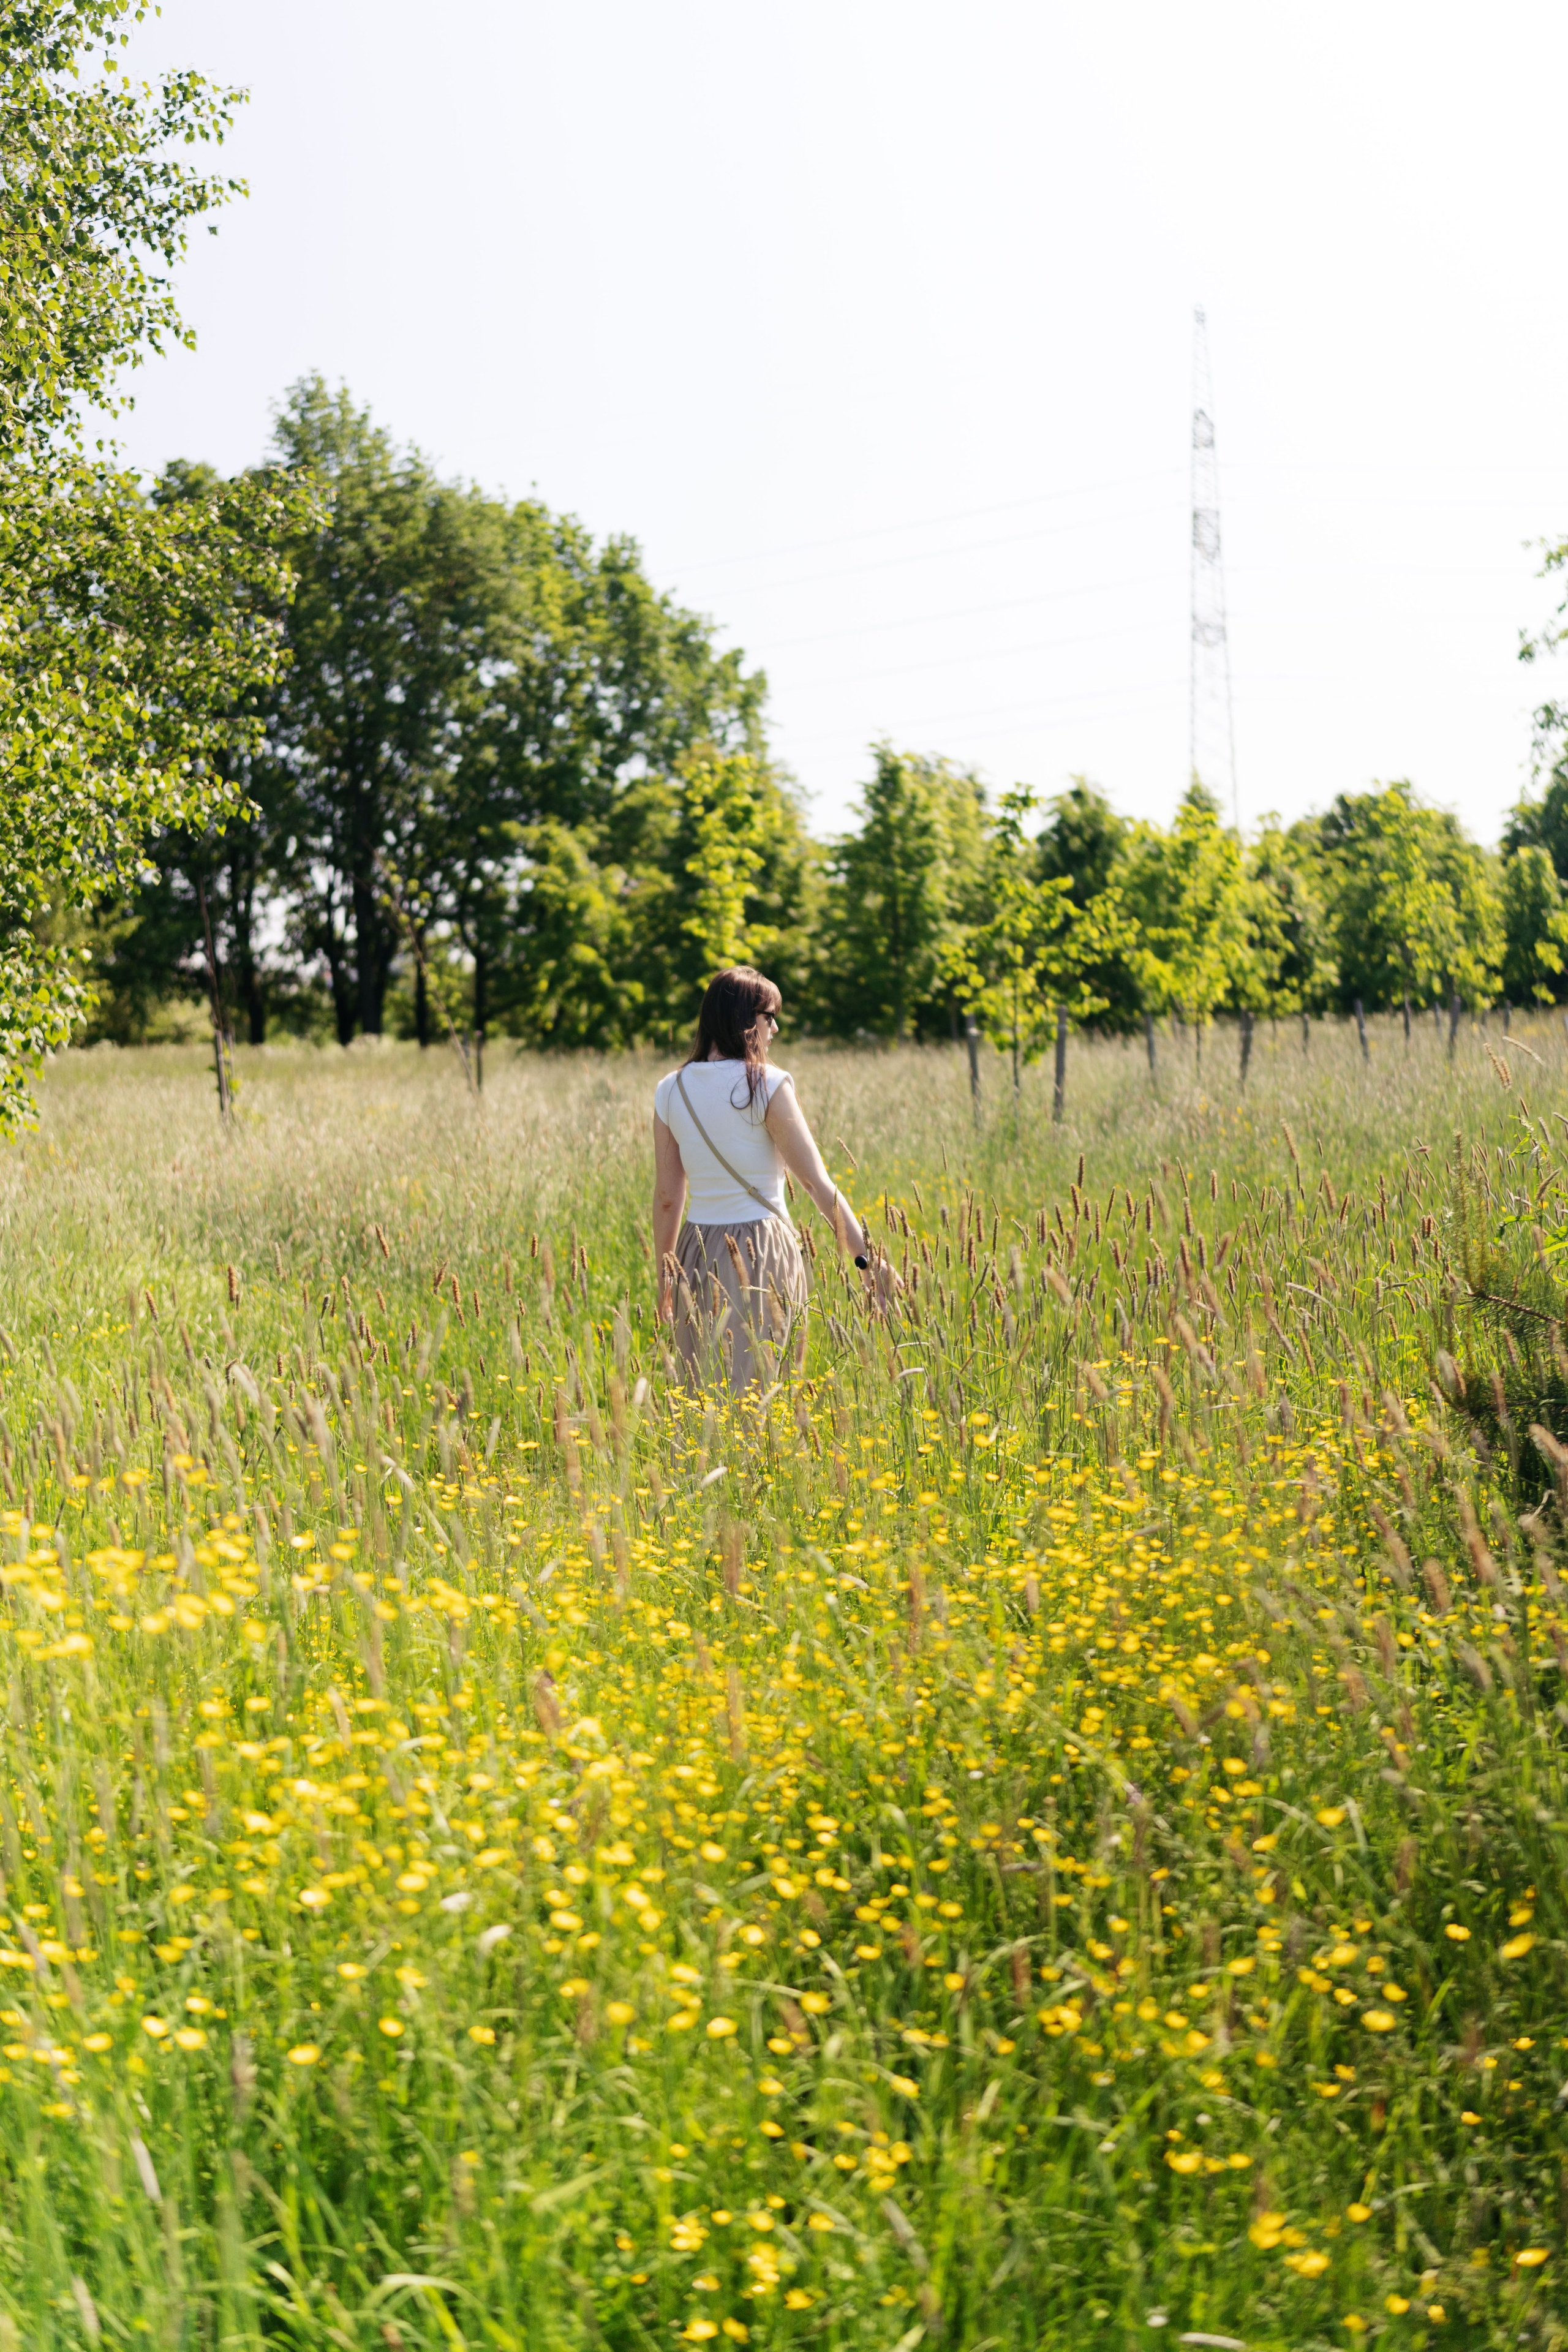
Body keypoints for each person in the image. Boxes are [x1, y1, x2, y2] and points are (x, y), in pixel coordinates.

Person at [652, 965, 889, 1387]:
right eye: (769, 1017)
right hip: (762, 1248)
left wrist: (665, 1279)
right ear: (745, 1022)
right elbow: (817, 1185)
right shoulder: (767, 1084)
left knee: (700, 1386)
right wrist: (866, 1263)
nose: (775, 1028)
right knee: (763, 1388)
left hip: (695, 1250)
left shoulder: (670, 1089)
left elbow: (669, 1196)